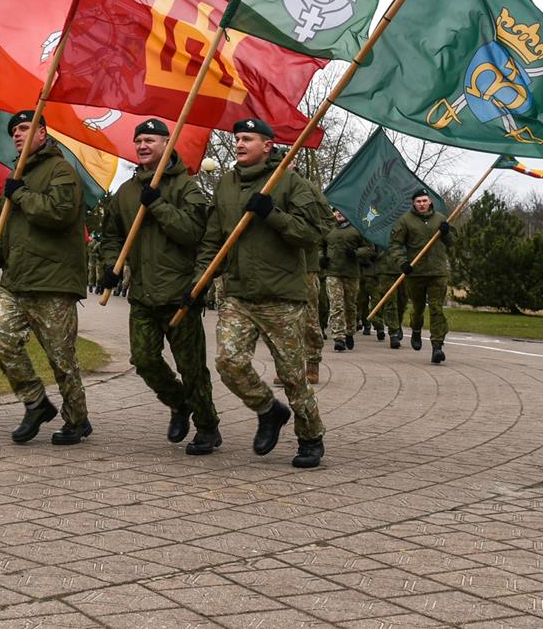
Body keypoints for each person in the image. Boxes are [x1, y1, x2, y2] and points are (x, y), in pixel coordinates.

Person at [199, 118, 330, 468]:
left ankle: (310, 437)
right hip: (239, 293)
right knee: (228, 362)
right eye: (237, 138)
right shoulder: (225, 185)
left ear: (267, 145)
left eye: (248, 138)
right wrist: (199, 282)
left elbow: (313, 233)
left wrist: (273, 214)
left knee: (292, 375)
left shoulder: (290, 181)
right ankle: (269, 410)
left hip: (282, 295)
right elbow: (213, 239)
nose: (239, 144)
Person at [96, 118, 220, 454]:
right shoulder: (126, 192)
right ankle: (179, 403)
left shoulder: (186, 187)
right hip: (143, 295)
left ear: (167, 143)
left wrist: (158, 205)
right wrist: (111, 265)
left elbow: (192, 233)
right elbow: (112, 235)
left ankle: (207, 427)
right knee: (144, 359)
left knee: (191, 367)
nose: (142, 146)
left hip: (180, 294)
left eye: (150, 140)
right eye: (139, 141)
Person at [0, 110, 92, 445]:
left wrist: (20, 194)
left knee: (61, 357)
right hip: (16, 279)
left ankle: (77, 419)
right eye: (14, 131)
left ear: (43, 132)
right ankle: (35, 402)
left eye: (24, 128)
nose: (17, 134)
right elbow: (9, 227)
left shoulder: (61, 170)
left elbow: (60, 213)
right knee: (0, 340)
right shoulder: (16, 173)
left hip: (53, 280)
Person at [391, 188, 452, 364]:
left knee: (436, 309)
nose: (422, 204)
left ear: (430, 201)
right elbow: (395, 245)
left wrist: (447, 232)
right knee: (417, 309)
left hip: (437, 272)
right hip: (415, 273)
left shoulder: (440, 219)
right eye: (418, 201)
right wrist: (402, 262)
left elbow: (452, 242)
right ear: (413, 203)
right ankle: (416, 329)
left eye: (425, 201)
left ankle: (437, 346)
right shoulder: (405, 221)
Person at [324, 209, 372, 351]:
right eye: (336, 211)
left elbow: (369, 248)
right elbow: (320, 245)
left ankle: (350, 331)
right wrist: (322, 257)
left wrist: (356, 253)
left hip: (351, 274)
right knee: (336, 304)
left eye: (342, 211)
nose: (339, 213)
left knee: (350, 305)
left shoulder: (357, 229)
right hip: (333, 273)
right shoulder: (328, 228)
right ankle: (338, 337)